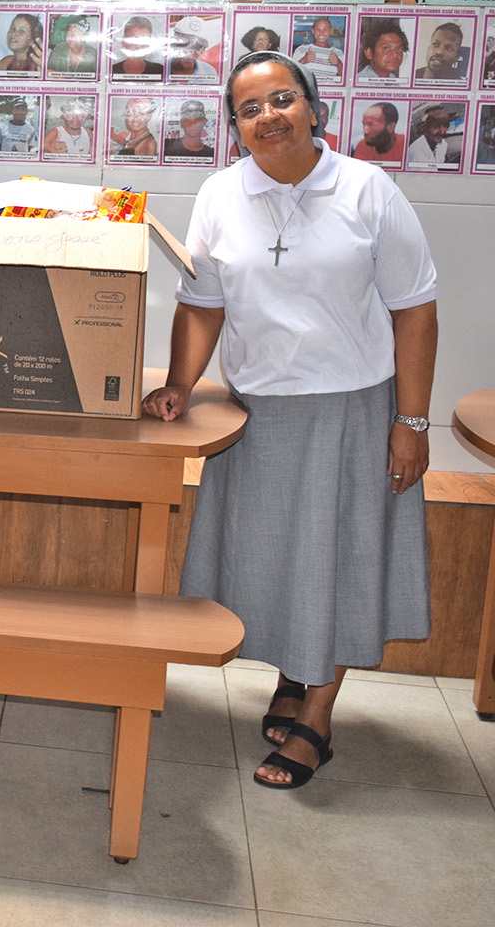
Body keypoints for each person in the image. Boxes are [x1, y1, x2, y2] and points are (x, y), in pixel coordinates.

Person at [142, 51, 436, 790]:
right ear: (235, 126)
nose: (268, 116)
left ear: (312, 107)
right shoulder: (219, 194)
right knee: (276, 559)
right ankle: (296, 676)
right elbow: (203, 303)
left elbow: (417, 311)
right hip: (258, 411)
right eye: (250, 108)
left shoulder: (368, 190)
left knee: (340, 559)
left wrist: (413, 422)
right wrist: (181, 383)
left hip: (353, 410)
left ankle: (318, 719)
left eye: (282, 99)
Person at [405, 103, 456, 171]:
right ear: (425, 129)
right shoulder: (416, 154)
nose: (442, 131)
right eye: (436, 127)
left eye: (445, 125)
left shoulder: (443, 144)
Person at [167, 15, 219, 82]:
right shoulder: (158, 68)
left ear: (203, 50)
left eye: (198, 47)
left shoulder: (209, 71)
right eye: (185, 44)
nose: (191, 52)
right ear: (174, 44)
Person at [357, 17, 408, 83]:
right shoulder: (360, 82)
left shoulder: (393, 80)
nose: (395, 55)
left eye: (398, 49)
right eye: (386, 48)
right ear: (369, 53)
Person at [292, 15, 345, 80]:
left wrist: (339, 64)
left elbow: (345, 80)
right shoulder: (301, 50)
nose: (321, 33)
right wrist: (303, 61)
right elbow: (291, 76)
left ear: (331, 31)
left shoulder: (339, 53)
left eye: (325, 29)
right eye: (318, 29)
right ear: (313, 31)